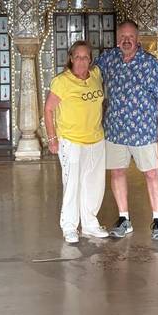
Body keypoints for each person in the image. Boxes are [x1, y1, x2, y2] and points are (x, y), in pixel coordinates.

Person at [94, 20, 158, 240]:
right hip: (115, 129)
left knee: (151, 173)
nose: (126, 40)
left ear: (138, 39)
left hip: (143, 130)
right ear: (117, 39)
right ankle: (124, 219)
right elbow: (87, 75)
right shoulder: (108, 59)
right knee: (117, 172)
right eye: (122, 37)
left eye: (130, 37)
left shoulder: (149, 63)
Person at [44, 40, 109, 244]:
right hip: (71, 141)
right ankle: (69, 227)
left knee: (94, 184)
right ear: (71, 58)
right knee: (72, 184)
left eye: (85, 57)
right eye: (78, 57)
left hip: (96, 139)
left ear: (90, 60)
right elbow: (48, 110)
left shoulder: (96, 75)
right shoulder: (62, 81)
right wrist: (52, 138)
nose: (81, 61)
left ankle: (90, 224)